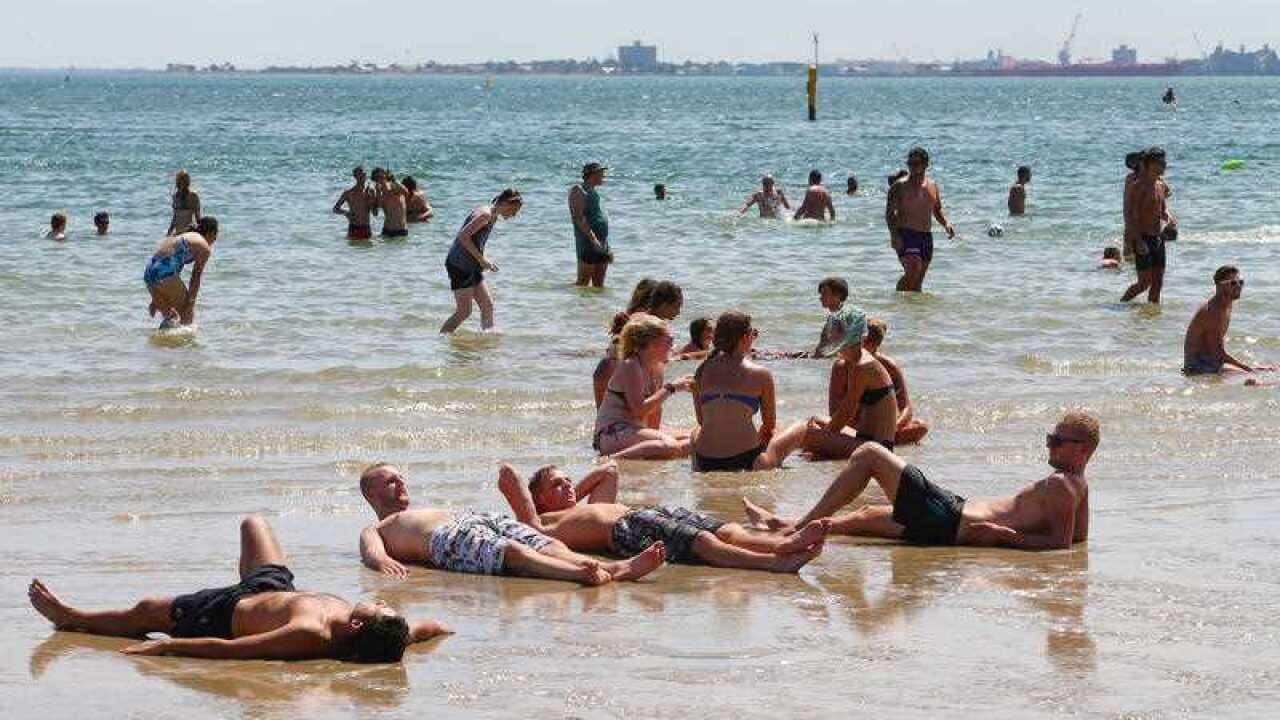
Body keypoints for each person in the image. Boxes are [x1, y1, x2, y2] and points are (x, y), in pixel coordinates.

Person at [28, 515, 447, 662]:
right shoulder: (391, 634)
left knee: (147, 610)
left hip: (224, 613)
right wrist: (444, 629)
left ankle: (71, 618)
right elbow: (423, 629)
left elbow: (232, 650)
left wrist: (167, 647)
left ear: (357, 626)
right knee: (255, 523)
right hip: (273, 586)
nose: (380, 603)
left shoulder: (311, 634)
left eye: (379, 610)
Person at [746, 411, 1099, 550]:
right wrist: (1006, 535)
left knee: (869, 453)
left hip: (951, 518)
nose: (1049, 443)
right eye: (1050, 436)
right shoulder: (1078, 484)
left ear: (1082, 450)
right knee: (867, 516)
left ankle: (797, 529)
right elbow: (1079, 538)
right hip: (950, 520)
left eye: (1058, 440)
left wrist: (1004, 537)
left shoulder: (1060, 484)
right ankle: (787, 524)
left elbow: (1059, 544)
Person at [358, 463, 664, 585]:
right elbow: (372, 551)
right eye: (390, 482)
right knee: (511, 551)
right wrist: (381, 561)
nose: (400, 484)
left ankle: (615, 568)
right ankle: (579, 573)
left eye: (401, 478)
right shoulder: (379, 528)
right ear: (370, 493)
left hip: (478, 518)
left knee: (544, 542)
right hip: (446, 538)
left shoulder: (420, 508)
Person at [497, 463, 826, 572]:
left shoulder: (579, 508)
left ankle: (782, 542)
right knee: (704, 542)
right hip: (625, 529)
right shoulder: (544, 525)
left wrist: (570, 494)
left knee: (726, 529)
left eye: (569, 481)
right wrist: (523, 489)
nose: (568, 485)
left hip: (647, 514)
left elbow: (608, 471)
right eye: (558, 484)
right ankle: (775, 561)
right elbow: (519, 499)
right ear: (538, 497)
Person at [690, 311, 811, 472]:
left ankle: (696, 465)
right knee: (801, 427)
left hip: (705, 461)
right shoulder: (760, 374)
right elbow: (769, 425)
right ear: (746, 337)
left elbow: (701, 420)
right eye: (753, 334)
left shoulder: (702, 370)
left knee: (696, 432)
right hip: (747, 459)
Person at [593, 314, 694, 460]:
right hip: (612, 432)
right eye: (669, 340)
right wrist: (671, 388)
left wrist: (653, 434)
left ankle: (650, 452)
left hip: (635, 429)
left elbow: (654, 412)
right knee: (670, 445)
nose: (674, 345)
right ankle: (610, 460)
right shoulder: (631, 365)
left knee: (697, 437)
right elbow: (639, 411)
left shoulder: (658, 367)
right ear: (652, 344)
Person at [802, 313, 898, 460]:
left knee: (807, 434)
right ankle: (826, 452)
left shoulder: (862, 366)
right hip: (866, 439)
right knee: (814, 421)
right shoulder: (858, 360)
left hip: (878, 448)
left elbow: (846, 414)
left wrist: (823, 439)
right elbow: (841, 416)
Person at [440, 189, 523, 334]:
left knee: (487, 305)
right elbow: (463, 237)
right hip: (459, 265)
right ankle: (442, 339)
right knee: (464, 312)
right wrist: (481, 260)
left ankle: (487, 341)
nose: (514, 215)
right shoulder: (485, 215)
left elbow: (477, 240)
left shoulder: (493, 215)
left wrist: (485, 261)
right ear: (504, 203)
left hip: (472, 264)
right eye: (513, 210)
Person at [593, 280, 683, 407]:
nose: (678, 312)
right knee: (648, 414)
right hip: (619, 372)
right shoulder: (656, 327)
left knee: (605, 421)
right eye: (677, 306)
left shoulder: (635, 316)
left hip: (603, 370)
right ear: (664, 305)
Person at [886, 147, 956, 292]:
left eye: (916, 163)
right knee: (913, 270)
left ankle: (912, 312)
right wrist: (894, 236)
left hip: (925, 236)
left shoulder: (932, 185)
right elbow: (889, 213)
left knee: (917, 282)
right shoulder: (899, 186)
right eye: (910, 163)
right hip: (906, 234)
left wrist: (946, 224)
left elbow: (937, 209)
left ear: (926, 164)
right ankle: (898, 299)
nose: (912, 166)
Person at [1183, 266, 1271, 375]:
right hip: (1197, 366)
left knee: (1267, 369)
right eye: (1233, 283)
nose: (1238, 286)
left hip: (1211, 360)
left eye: (1241, 282)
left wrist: (1248, 367)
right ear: (1219, 286)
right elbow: (1217, 354)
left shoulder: (1226, 303)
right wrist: (1247, 368)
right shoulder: (1213, 312)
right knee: (1250, 376)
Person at [863, 319, 929, 445]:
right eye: (864, 340)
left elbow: (906, 408)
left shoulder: (890, 367)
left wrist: (894, 427)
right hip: (858, 424)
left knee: (921, 426)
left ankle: (880, 440)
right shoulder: (846, 364)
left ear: (878, 343)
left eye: (871, 341)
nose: (864, 345)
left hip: (885, 426)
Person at [143, 216, 218, 327]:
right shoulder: (204, 247)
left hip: (149, 273)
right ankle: (183, 343)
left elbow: (169, 263)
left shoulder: (184, 237)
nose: (215, 240)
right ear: (211, 233)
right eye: (215, 236)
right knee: (186, 316)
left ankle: (161, 342)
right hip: (164, 273)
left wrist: (156, 299)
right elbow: (195, 277)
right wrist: (190, 303)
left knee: (172, 317)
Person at [1121, 148, 1173, 304]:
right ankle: (1121, 305)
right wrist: (1138, 241)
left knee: (1158, 283)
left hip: (1158, 237)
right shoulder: (1138, 186)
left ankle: (1153, 321)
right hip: (1142, 238)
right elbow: (1130, 216)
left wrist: (1170, 219)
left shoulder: (1160, 185)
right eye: (1160, 163)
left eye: (1164, 162)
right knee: (1144, 283)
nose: (1164, 165)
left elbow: (1163, 210)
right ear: (1149, 165)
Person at [569, 162, 612, 287]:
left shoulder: (593, 192)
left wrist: (604, 244)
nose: (603, 176)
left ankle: (596, 306)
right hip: (588, 243)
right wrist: (594, 240)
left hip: (602, 241)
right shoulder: (578, 190)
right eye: (601, 173)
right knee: (582, 284)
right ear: (592, 174)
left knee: (599, 286)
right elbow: (579, 218)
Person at [809, 277, 863, 359]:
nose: (820, 298)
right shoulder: (835, 315)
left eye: (825, 294)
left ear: (838, 295)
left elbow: (841, 349)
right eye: (821, 294)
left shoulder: (841, 317)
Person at [334, 167, 375, 240]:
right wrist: (346, 213)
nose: (362, 176)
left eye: (364, 174)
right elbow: (335, 209)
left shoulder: (370, 191)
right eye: (360, 175)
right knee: (352, 250)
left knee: (369, 251)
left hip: (366, 227)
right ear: (355, 177)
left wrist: (371, 199)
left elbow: (375, 212)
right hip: (353, 227)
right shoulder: (349, 192)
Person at [373, 169, 408, 238]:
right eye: (377, 178)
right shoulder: (379, 193)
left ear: (385, 176)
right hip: (387, 230)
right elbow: (376, 211)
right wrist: (377, 193)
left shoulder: (394, 187)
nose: (379, 179)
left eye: (381, 176)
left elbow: (405, 192)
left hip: (401, 229)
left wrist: (394, 180)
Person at [1121, 152, 1143, 262]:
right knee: (1130, 250)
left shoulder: (1130, 177)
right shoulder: (1132, 178)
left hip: (1134, 217)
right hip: (1134, 217)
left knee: (1129, 251)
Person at [167, 170, 202, 235]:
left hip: (190, 231)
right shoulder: (175, 197)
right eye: (180, 180)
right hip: (178, 232)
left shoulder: (193, 196)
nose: (182, 183)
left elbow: (198, 219)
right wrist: (168, 233)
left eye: (184, 180)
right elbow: (175, 218)